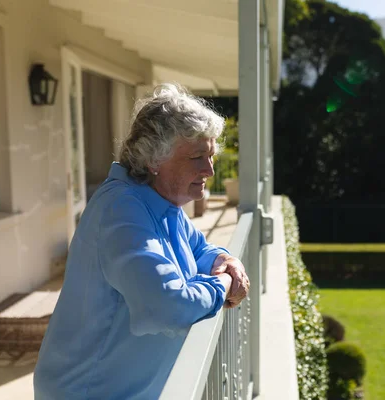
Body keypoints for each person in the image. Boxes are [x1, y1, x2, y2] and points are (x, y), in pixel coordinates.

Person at [33, 83, 250, 400]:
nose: (209, 169)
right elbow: (165, 304)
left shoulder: (161, 203)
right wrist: (223, 287)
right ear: (153, 159)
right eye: (197, 157)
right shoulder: (122, 211)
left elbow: (201, 250)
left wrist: (226, 261)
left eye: (211, 155)